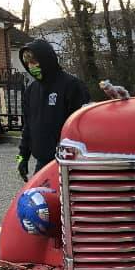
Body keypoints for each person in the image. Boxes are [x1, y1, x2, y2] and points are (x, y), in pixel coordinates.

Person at [17, 39, 91, 180]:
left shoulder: (72, 86)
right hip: (42, 163)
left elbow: (82, 126)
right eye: (28, 64)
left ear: (46, 60)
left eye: (34, 62)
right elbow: (27, 127)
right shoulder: (31, 91)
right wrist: (22, 157)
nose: (31, 67)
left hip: (69, 163)